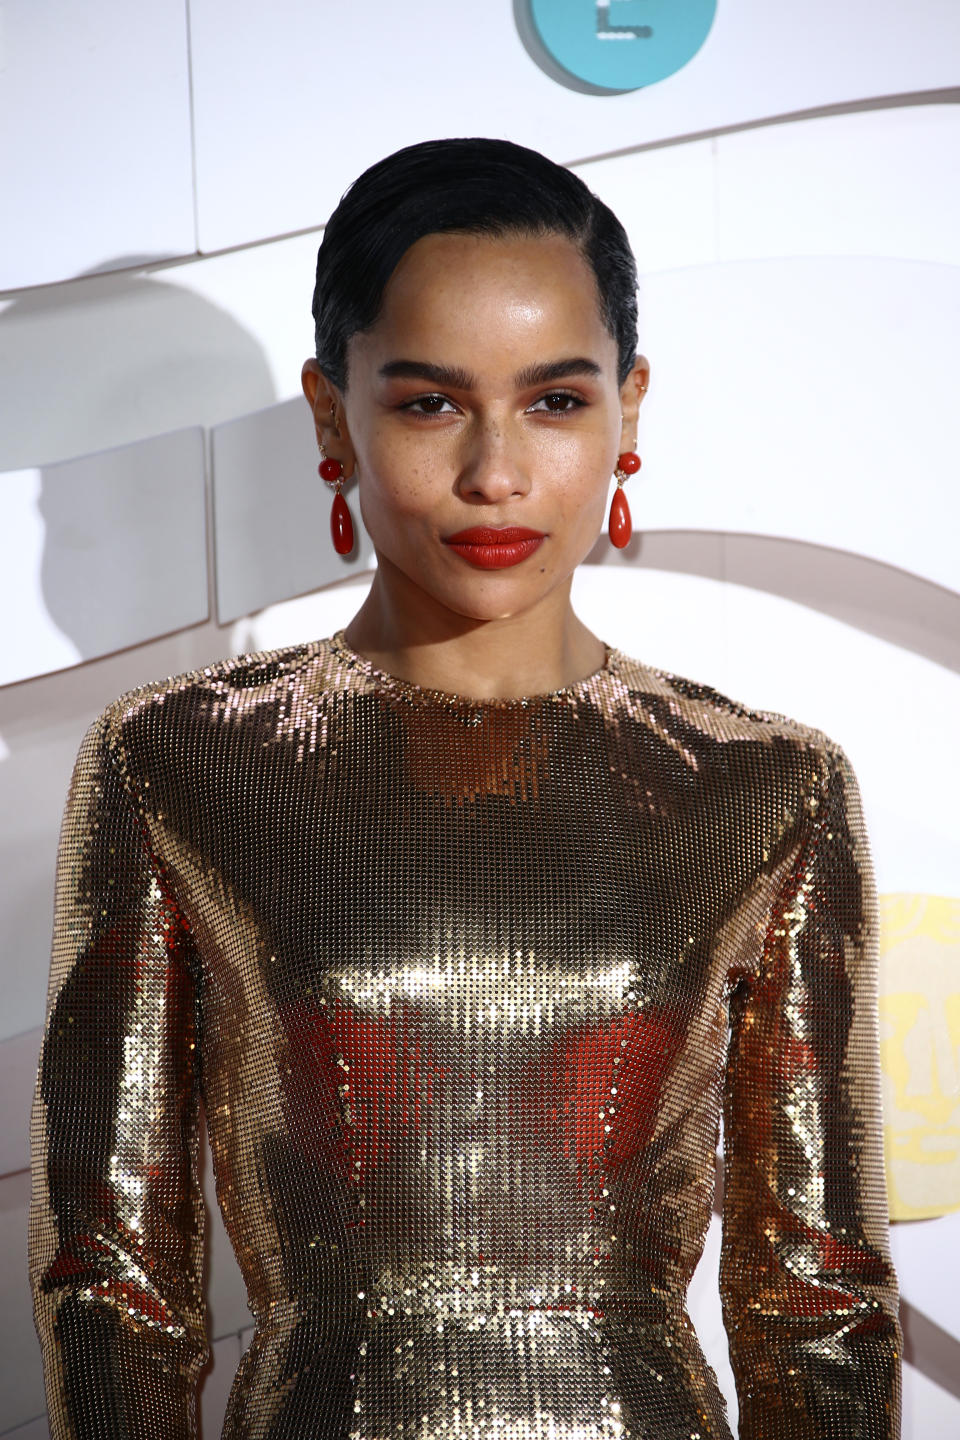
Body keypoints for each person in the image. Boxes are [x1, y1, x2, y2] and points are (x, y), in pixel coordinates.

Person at [30, 138, 901, 1439]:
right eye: (430, 402)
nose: (497, 472)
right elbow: (113, 1281)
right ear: (334, 417)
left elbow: (819, 1296)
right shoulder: (181, 763)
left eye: (555, 401)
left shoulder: (767, 786)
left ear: (630, 409)